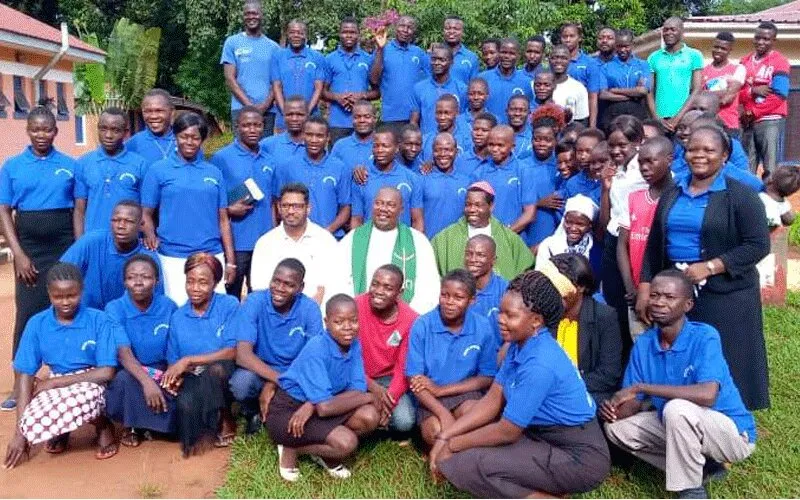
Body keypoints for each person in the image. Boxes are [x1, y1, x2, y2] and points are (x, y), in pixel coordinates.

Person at [431, 270, 611, 498]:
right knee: (466, 455)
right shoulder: (520, 344)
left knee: (467, 465)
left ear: (536, 321)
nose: (500, 319)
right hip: (541, 435)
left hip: (578, 456)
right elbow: (492, 399)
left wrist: (453, 445)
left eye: (510, 315)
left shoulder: (540, 364)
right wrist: (445, 436)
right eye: (501, 312)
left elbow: (507, 431)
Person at [637, 126, 771, 410]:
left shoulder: (741, 195)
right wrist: (646, 288)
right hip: (677, 290)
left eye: (709, 150)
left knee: (725, 359)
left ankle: (728, 427)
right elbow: (654, 244)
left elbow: (758, 245)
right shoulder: (674, 191)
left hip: (725, 295)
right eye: (693, 149)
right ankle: (679, 418)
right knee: (683, 355)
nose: (699, 155)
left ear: (724, 156)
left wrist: (711, 267)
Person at [602, 270, 757, 500]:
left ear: (687, 304)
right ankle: (703, 467)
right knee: (617, 430)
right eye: (654, 295)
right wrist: (615, 409)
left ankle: (691, 491)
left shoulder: (704, 336)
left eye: (669, 297)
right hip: (680, 425)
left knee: (677, 409)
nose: (659, 303)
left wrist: (643, 388)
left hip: (731, 433)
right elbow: (631, 403)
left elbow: (708, 395)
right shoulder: (645, 344)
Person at [4, 263, 119, 468]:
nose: (65, 302)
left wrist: (55, 384)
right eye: (58, 297)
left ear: (81, 291)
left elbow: (107, 371)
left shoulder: (98, 319)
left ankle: (102, 425)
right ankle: (61, 430)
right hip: (56, 379)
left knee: (79, 401)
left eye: (71, 295)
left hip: (92, 381)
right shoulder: (37, 323)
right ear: (49, 294)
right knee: (31, 419)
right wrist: (20, 433)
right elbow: (25, 375)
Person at [0, 107, 78, 411]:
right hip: (29, 249)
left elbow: (77, 210)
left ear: (55, 132)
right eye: (35, 130)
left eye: (47, 130)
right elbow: (4, 211)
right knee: (28, 314)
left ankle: (69, 375)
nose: (41, 135)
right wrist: (18, 254)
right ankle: (21, 383)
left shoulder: (70, 166)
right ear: (28, 131)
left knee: (67, 308)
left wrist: (73, 253)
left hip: (62, 245)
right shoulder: (12, 166)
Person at [265, 294, 379, 481]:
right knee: (347, 443)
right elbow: (326, 408)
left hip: (320, 404)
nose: (348, 327)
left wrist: (313, 404)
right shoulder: (317, 348)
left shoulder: (354, 344)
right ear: (326, 322)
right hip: (289, 412)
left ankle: (322, 451)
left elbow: (356, 389)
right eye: (339, 322)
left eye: (353, 321)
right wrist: (369, 396)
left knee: (369, 416)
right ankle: (291, 448)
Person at [141, 112, 235, 306]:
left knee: (214, 312)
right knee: (176, 311)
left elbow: (223, 219)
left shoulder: (214, 173)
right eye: (184, 136)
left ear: (202, 140)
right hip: (172, 256)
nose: (189, 142)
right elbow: (146, 213)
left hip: (210, 254)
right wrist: (150, 233)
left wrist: (230, 260)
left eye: (195, 137)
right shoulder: (159, 170)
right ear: (175, 137)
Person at [230, 258, 323, 435]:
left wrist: (276, 383)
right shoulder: (254, 301)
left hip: (295, 373)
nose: (279, 289)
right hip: (259, 369)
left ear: (300, 288)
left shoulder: (310, 309)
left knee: (311, 386)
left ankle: (273, 408)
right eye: (276, 281)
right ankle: (252, 412)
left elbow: (313, 357)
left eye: (288, 284)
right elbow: (243, 355)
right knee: (241, 383)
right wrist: (278, 380)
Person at [407, 269, 498, 448]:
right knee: (436, 433)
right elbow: (415, 380)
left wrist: (442, 390)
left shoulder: (482, 326)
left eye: (458, 297)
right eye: (444, 295)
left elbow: (487, 377)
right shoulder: (422, 325)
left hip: (464, 393)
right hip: (430, 399)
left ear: (472, 301)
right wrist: (443, 414)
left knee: (476, 419)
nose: (449, 302)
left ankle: (461, 452)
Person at [162, 253, 239, 456]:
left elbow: (233, 351)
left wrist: (188, 359)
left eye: (203, 282)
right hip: (193, 375)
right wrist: (178, 373)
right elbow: (174, 360)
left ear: (215, 283)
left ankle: (226, 418)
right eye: (190, 282)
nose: (195, 288)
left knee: (217, 370)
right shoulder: (178, 316)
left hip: (224, 372)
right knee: (186, 409)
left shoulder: (229, 305)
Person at [104, 254, 178, 447]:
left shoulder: (168, 306)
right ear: (124, 281)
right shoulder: (114, 308)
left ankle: (155, 425)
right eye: (131, 277)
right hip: (130, 370)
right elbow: (123, 352)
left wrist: (171, 375)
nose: (138, 282)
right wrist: (147, 382)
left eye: (145, 277)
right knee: (123, 382)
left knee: (180, 389)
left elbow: (174, 345)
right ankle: (132, 425)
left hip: (161, 369)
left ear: (156, 280)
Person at [209, 106, 276, 298]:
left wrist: (272, 233)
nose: (252, 130)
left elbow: (273, 202)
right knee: (232, 294)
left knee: (261, 295)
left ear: (263, 127)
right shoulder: (222, 158)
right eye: (247, 125)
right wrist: (229, 209)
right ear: (237, 127)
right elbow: (212, 200)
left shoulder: (269, 160)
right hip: (236, 241)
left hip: (264, 242)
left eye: (257, 125)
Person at [340, 187, 440, 314]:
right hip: (361, 317)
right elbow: (339, 282)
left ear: (401, 210)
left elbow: (429, 286)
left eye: (390, 205)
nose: (383, 209)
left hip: (404, 321)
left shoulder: (418, 241)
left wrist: (408, 317)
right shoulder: (352, 240)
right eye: (379, 203)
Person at [617, 136, 675, 341]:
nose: (644, 167)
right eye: (641, 162)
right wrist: (630, 288)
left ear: (669, 159)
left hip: (668, 292)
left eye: (651, 161)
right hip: (635, 292)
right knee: (642, 347)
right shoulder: (634, 197)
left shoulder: (679, 197)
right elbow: (622, 244)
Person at [250, 183, 342, 306]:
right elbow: (259, 287)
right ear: (278, 208)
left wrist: (311, 310)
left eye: (297, 206)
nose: (291, 211)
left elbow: (335, 283)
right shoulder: (265, 243)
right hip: (276, 314)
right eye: (285, 206)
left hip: (319, 313)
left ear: (308, 208)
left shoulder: (325, 241)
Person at [549, 253, 622, 406]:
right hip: (546, 392)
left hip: (585, 393)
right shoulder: (545, 314)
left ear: (580, 287)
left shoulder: (605, 317)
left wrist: (562, 387)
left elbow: (608, 375)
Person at [598, 116, 648, 341]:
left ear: (638, 142)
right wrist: (605, 188)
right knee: (614, 301)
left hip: (633, 243)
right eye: (612, 145)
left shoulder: (644, 172)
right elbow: (608, 218)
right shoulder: (617, 170)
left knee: (632, 302)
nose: (616, 150)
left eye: (622, 145)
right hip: (613, 238)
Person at [61, 201, 163, 309]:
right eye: (116, 220)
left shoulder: (148, 258)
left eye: (128, 221)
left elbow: (156, 299)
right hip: (87, 314)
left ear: (141, 225)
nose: (121, 226)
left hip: (125, 318)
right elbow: (61, 273)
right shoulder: (91, 241)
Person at [356, 265, 418, 432]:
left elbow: (403, 367)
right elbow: (346, 356)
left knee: (404, 422)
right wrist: (372, 388)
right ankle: (370, 416)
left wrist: (389, 399)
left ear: (400, 292)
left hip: (388, 379)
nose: (378, 291)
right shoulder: (356, 306)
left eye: (388, 287)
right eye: (375, 284)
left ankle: (374, 418)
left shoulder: (411, 320)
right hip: (356, 375)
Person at [432, 182, 533, 281]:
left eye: (477, 205)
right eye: (468, 204)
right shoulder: (445, 238)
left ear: (491, 206)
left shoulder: (508, 238)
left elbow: (526, 269)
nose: (472, 209)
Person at [74, 107, 148, 236]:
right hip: (94, 240)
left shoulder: (140, 164)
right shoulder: (83, 163)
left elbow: (146, 210)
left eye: (115, 130)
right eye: (103, 129)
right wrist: (80, 244)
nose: (108, 135)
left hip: (130, 242)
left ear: (126, 133)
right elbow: (80, 210)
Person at [274, 118, 351, 238]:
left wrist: (326, 232)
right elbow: (278, 202)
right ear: (303, 135)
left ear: (328, 137)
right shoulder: (288, 166)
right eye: (309, 135)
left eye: (319, 136)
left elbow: (345, 207)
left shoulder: (340, 167)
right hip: (295, 237)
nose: (314, 140)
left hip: (331, 236)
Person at [220, 0, 280, 137]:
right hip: (240, 109)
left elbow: (276, 82)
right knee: (241, 152)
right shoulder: (232, 43)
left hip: (267, 111)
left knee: (264, 152)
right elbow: (230, 78)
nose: (251, 17)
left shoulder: (274, 47)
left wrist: (265, 105)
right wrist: (249, 106)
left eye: (254, 13)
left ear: (261, 16)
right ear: (243, 17)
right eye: (247, 14)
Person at [740, 22, 790, 177]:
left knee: (770, 166)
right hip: (747, 120)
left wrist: (754, 111)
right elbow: (738, 91)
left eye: (766, 39)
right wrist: (752, 90)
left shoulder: (779, 61)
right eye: (758, 38)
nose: (761, 42)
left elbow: (780, 94)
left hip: (770, 119)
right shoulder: (745, 61)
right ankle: (747, 199)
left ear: (773, 40)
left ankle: (769, 199)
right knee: (746, 164)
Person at [350, 127, 423, 231]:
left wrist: (413, 245)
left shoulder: (411, 178)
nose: (380, 150)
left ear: (397, 148)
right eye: (376, 146)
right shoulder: (361, 177)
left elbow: (417, 220)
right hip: (371, 242)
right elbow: (357, 219)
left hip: (401, 243)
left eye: (385, 146)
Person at [369, 15, 430, 132]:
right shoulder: (383, 50)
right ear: (395, 27)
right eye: (402, 26)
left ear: (414, 31)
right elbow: (374, 80)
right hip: (391, 116)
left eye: (410, 27)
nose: (405, 30)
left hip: (416, 116)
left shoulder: (419, 53)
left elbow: (432, 80)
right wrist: (380, 49)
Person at [324, 18, 379, 144]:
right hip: (338, 122)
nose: (348, 35)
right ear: (339, 34)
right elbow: (323, 92)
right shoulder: (329, 59)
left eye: (353, 32)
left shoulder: (368, 59)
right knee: (338, 159)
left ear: (358, 35)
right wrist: (337, 97)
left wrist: (362, 96)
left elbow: (377, 92)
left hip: (363, 121)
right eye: (345, 32)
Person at [470, 125, 535, 232]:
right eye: (491, 144)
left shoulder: (523, 171)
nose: (495, 149)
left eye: (500, 145)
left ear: (512, 146)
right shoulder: (480, 172)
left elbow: (529, 213)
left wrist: (505, 234)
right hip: (484, 237)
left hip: (513, 237)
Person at [647, 17, 703, 131]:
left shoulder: (694, 55)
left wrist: (678, 118)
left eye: (673, 29)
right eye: (665, 30)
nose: (668, 33)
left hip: (685, 118)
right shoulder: (653, 57)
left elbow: (697, 89)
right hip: (659, 119)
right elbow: (649, 90)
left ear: (682, 32)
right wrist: (656, 117)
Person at [270, 20, 326, 131]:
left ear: (306, 35)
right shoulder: (277, 57)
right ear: (287, 34)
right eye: (292, 32)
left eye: (300, 33)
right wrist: (286, 113)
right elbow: (277, 87)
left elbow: (318, 88)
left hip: (311, 117)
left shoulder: (317, 57)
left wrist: (306, 113)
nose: (296, 35)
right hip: (284, 119)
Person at [526, 108, 564, 249]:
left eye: (548, 140)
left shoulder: (561, 165)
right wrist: (538, 203)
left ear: (556, 140)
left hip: (552, 227)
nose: (542, 143)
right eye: (537, 139)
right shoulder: (521, 164)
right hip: (528, 228)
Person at [420, 133, 471, 238]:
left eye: (448, 150)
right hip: (430, 243)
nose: (443, 154)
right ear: (433, 152)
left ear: (456, 152)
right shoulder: (422, 180)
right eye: (438, 150)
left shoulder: (467, 182)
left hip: (459, 244)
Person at [410, 44, 467, 137]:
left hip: (453, 143)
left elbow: (463, 120)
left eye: (442, 60)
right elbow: (414, 122)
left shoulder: (462, 89)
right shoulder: (419, 88)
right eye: (434, 59)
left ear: (451, 62)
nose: (437, 63)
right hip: (428, 143)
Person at [598, 29, 651, 129]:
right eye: (619, 46)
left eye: (626, 46)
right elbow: (603, 94)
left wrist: (615, 90)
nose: (622, 50)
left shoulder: (643, 65)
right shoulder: (606, 67)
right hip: (613, 113)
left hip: (637, 111)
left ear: (632, 45)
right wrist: (632, 95)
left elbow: (643, 90)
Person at [698, 32, 745, 138]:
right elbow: (698, 98)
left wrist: (707, 95)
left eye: (723, 49)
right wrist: (722, 92)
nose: (718, 51)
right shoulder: (703, 70)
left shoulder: (738, 69)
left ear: (730, 50)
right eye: (716, 47)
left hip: (729, 125)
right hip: (706, 125)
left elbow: (727, 99)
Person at [560, 23, 607, 128]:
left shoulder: (590, 63)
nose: (568, 40)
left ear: (579, 38)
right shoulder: (555, 63)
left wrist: (592, 126)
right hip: (559, 115)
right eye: (564, 37)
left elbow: (593, 97)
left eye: (572, 36)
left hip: (581, 117)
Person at [477, 38, 533, 123]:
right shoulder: (482, 78)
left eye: (512, 53)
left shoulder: (527, 82)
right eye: (503, 52)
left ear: (518, 56)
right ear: (498, 53)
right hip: (489, 132)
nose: (507, 56)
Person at [464, 234, 508, 341]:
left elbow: (514, 336)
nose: (473, 259)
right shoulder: (457, 287)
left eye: (480, 255)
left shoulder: (506, 291)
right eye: (469, 254)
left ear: (493, 260)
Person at [535, 194, 597, 267]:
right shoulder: (549, 246)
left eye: (580, 224)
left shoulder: (595, 249)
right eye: (569, 222)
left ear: (589, 226)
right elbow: (540, 274)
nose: (573, 228)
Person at [126, 89, 176, 165]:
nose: (153, 116)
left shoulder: (185, 141)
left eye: (159, 111)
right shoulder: (134, 143)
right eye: (148, 111)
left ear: (172, 112)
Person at [420, 95, 471, 163]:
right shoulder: (425, 140)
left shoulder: (467, 139)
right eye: (439, 113)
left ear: (457, 113)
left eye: (447, 113)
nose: (442, 117)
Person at [330, 100, 377, 171]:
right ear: (352, 120)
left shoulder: (383, 145)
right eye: (357, 117)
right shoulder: (340, 146)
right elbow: (333, 173)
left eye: (367, 117)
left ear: (374, 119)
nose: (362, 120)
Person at [259, 95, 308, 162]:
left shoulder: (315, 146)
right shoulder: (267, 145)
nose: (294, 119)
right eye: (289, 114)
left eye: (300, 114)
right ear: (284, 116)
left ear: (307, 116)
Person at [550, 45, 590, 125]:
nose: (559, 61)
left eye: (563, 58)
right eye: (555, 57)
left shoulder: (578, 88)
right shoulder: (538, 85)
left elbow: (582, 123)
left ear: (569, 61)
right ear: (549, 60)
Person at [443, 16, 479, 84]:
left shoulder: (471, 58)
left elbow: (473, 86)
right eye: (448, 28)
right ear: (443, 30)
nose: (451, 31)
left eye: (456, 29)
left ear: (462, 32)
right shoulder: (432, 54)